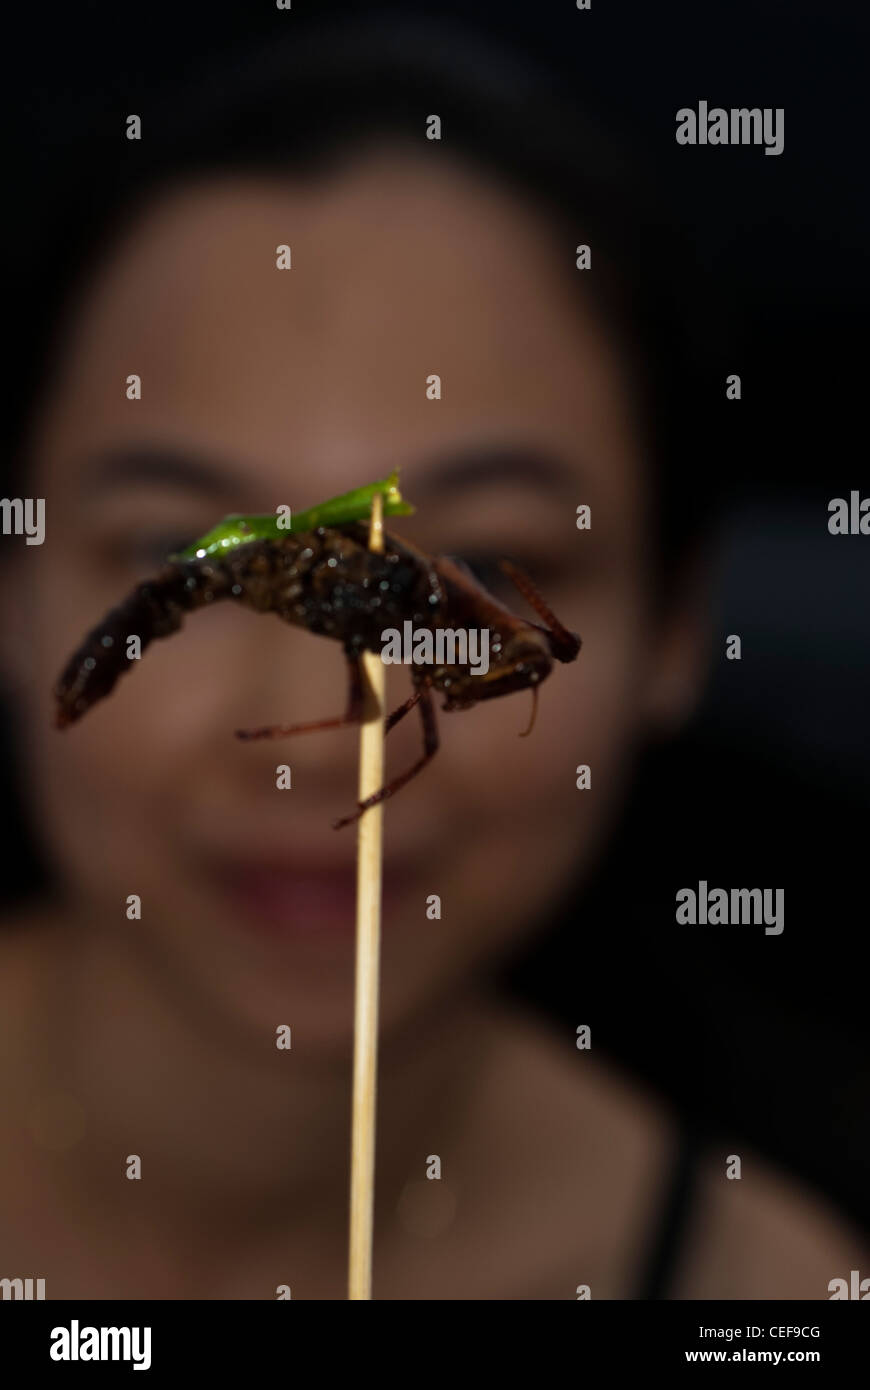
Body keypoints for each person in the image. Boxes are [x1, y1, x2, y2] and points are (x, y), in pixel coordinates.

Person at [0, 16, 863, 1298]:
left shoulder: (769, 1288)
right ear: (13, 582)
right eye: (179, 539)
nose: (314, 723)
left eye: (513, 537)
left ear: (678, 628)